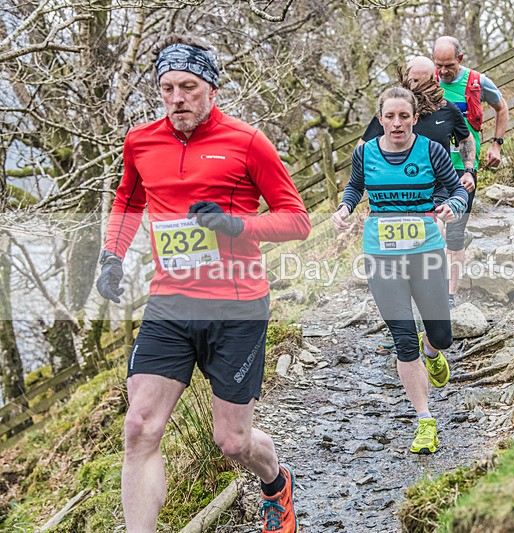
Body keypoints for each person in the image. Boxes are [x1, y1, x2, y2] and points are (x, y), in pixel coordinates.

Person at [95, 34, 311, 533]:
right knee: (140, 426)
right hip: (170, 302)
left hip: (237, 305)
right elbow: (128, 202)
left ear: (210, 86)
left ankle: (276, 483)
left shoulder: (247, 142)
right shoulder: (140, 141)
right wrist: (113, 254)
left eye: (188, 86)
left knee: (233, 442)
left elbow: (296, 220)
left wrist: (239, 226)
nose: (176, 99)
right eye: (166, 87)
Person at [331, 87, 468, 454]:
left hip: (425, 252)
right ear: (380, 120)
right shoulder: (365, 152)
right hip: (381, 255)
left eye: (403, 116)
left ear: (413, 118)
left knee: (441, 336)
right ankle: (425, 420)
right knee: (403, 339)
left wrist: (452, 205)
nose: (396, 123)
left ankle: (433, 350)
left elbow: (456, 189)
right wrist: (344, 210)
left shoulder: (432, 151)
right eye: (389, 116)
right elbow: (354, 187)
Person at [360, 56, 476, 312]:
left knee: (439, 231)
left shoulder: (447, 109)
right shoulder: (394, 114)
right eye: (414, 80)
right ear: (405, 79)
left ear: (434, 81)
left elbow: (466, 139)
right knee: (418, 242)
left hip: (441, 187)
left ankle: (447, 296)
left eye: (425, 81)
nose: (419, 87)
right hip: (404, 192)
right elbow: (363, 148)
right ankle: (410, 304)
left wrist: (468, 170)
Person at [433, 36, 509, 307]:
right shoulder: (428, 83)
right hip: (432, 165)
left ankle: (450, 294)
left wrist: (496, 145)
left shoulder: (477, 81)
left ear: (460, 60)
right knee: (433, 223)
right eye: (438, 65)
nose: (443, 72)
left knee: (454, 233)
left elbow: (501, 107)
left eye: (449, 65)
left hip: (465, 167)